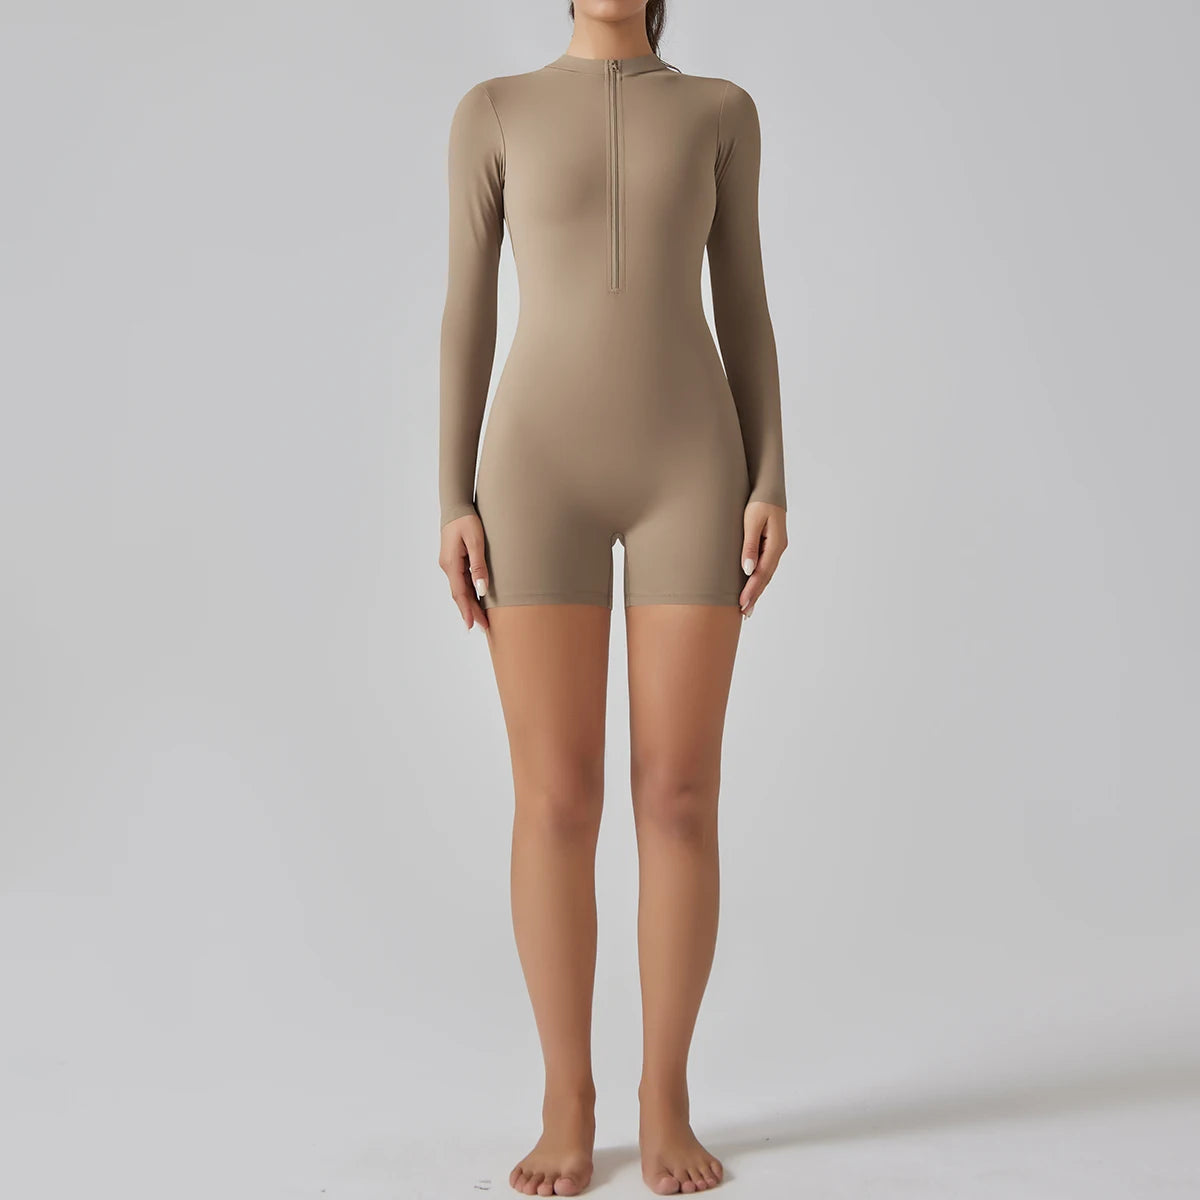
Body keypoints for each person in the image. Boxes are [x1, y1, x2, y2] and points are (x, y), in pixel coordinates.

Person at [436, 1, 788, 1194]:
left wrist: (771, 479)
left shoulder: (721, 114)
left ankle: (664, 1096)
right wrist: (451, 496)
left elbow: (744, 303)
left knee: (678, 796)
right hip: (533, 472)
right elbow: (466, 312)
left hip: (693, 467)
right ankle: (566, 1099)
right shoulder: (493, 113)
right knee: (556, 799)